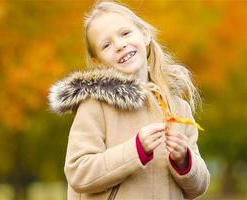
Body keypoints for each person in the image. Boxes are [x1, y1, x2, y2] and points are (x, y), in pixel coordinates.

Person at [48, 1, 210, 199]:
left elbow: (199, 187)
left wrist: (185, 160)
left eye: (125, 33)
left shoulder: (178, 108)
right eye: (106, 45)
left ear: (144, 35)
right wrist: (136, 150)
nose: (119, 45)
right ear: (99, 62)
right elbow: (79, 172)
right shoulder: (95, 105)